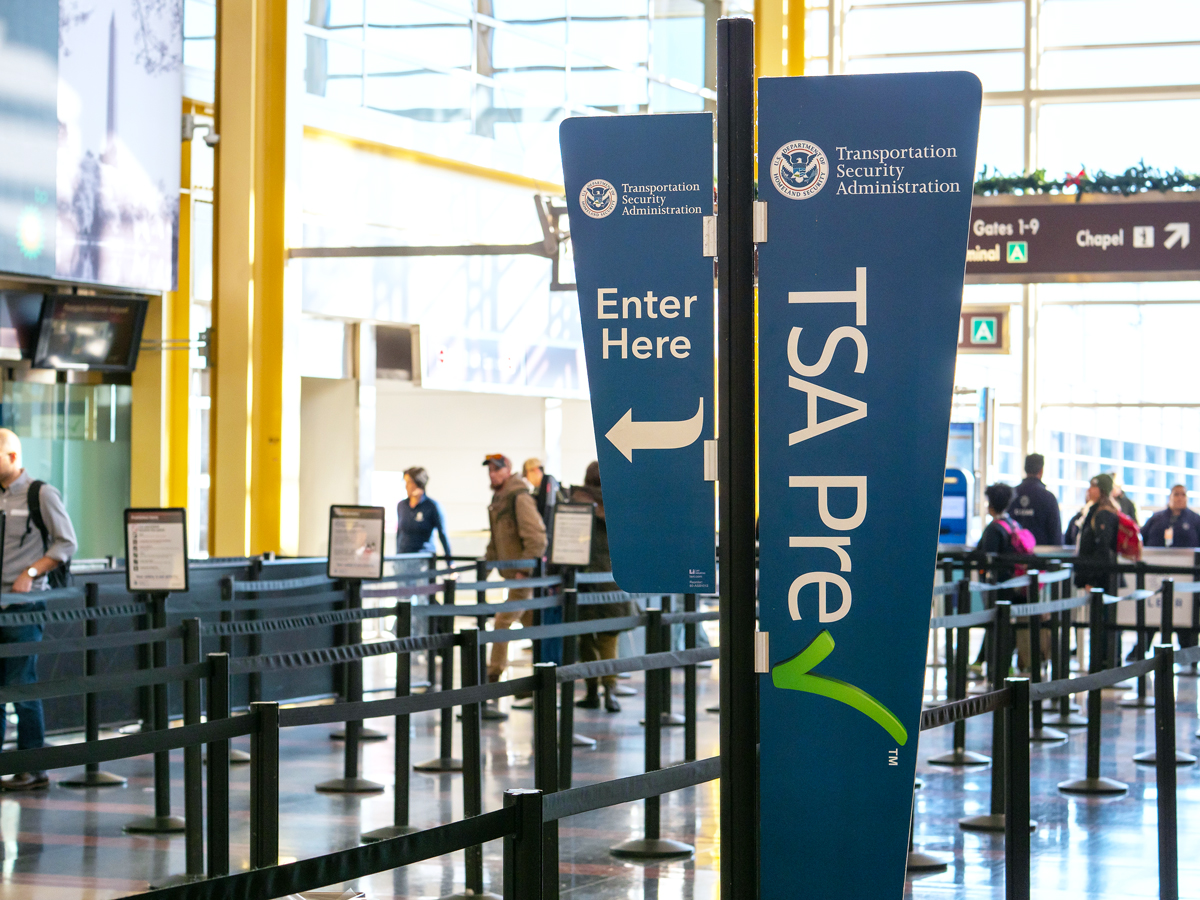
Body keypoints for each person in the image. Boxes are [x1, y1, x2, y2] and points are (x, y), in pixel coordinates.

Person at [0, 429, 78, 791]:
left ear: (13, 457)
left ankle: (33, 766)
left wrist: (30, 573)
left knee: (21, 684)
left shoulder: (40, 493)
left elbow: (67, 542)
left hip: (24, 607)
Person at [571, 461, 631, 712]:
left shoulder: (577, 500)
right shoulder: (618, 505)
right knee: (609, 640)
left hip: (583, 580)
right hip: (612, 582)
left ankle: (592, 691)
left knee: (586, 639)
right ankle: (610, 691)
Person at [482, 454, 547, 683]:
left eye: (497, 469)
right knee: (532, 625)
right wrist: (484, 568)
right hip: (512, 576)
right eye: (490, 470)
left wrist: (523, 571)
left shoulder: (519, 497)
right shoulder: (499, 499)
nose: (492, 474)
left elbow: (537, 538)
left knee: (502, 621)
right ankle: (547, 673)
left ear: (507, 469)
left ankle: (492, 676)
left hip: (523, 578)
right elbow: (495, 541)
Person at [1074, 474, 1120, 596]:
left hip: (1100, 581)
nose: (1089, 490)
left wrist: (1092, 580)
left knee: (1099, 613)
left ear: (1102, 490)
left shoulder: (1103, 514)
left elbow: (1103, 549)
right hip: (1097, 576)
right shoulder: (1095, 511)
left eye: (1093, 487)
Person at [1008, 453, 1062, 546]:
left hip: (1013, 555)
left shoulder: (1011, 494)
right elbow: (1055, 533)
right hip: (1040, 555)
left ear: (1025, 469)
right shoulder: (1048, 497)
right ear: (1041, 470)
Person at [396, 467, 451, 557]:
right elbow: (399, 533)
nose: (406, 486)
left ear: (418, 483)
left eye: (409, 482)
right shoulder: (401, 506)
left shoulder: (433, 507)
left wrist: (450, 562)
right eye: (405, 483)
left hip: (423, 558)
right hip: (403, 558)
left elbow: (443, 534)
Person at [522, 458, 560, 534]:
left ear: (535, 470)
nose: (528, 479)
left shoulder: (549, 483)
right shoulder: (538, 489)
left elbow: (548, 512)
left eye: (527, 475)